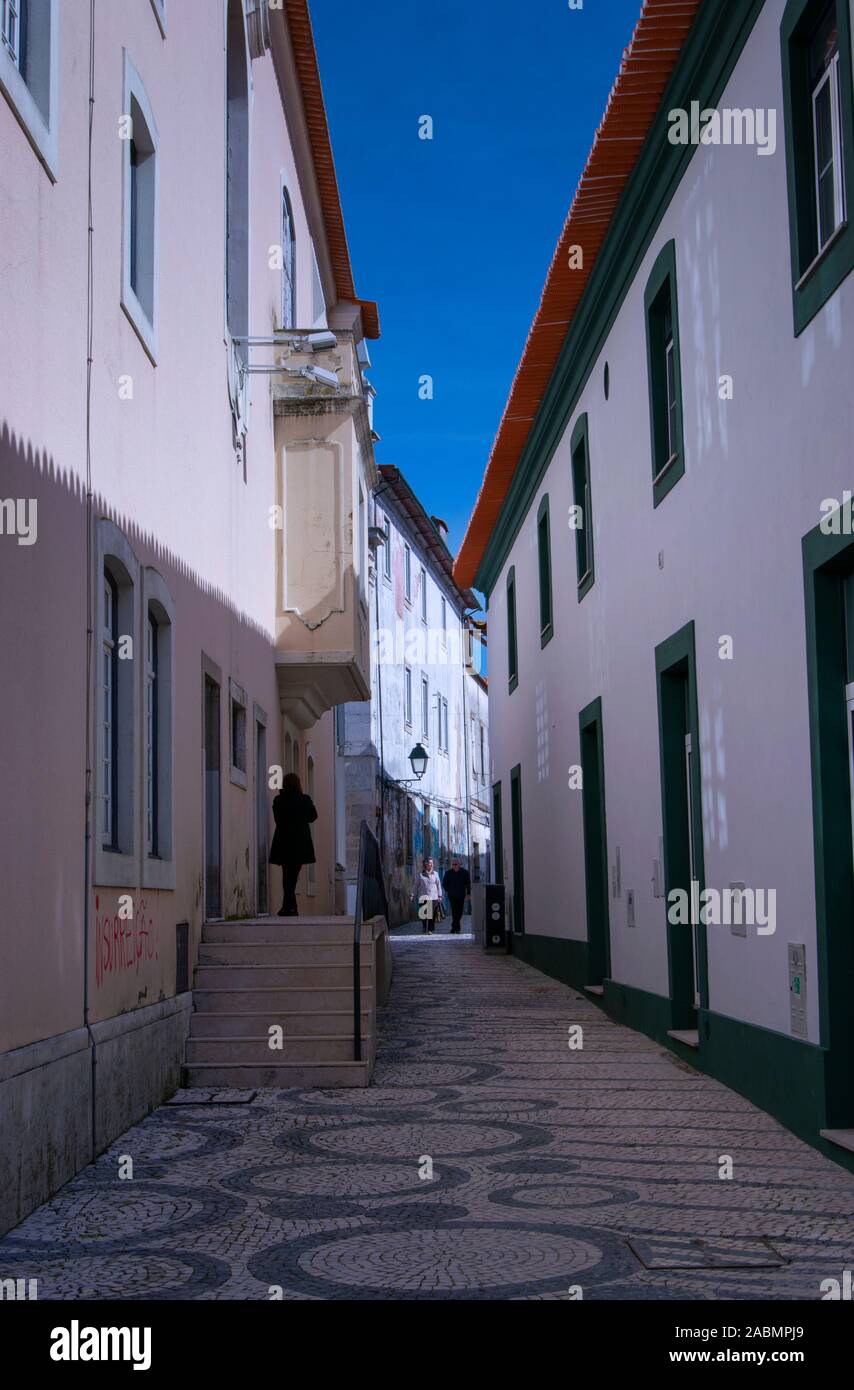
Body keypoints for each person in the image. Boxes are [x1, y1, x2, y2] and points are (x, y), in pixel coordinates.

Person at [269, 772, 318, 916]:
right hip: (300, 842)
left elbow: (277, 819)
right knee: (293, 875)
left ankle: (289, 907)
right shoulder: (305, 799)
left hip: (284, 842)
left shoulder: (278, 800)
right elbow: (313, 816)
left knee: (287, 875)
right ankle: (290, 907)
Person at [442, 857, 472, 934]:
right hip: (452, 896)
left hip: (461, 895)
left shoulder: (465, 872)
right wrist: (449, 890)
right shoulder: (448, 873)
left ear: (459, 864)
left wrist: (469, 894)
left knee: (460, 912)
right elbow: (444, 883)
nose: (454, 865)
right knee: (454, 911)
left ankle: (454, 925)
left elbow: (468, 884)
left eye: (456, 864)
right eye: (453, 864)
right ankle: (456, 928)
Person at [416, 856, 442, 934]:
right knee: (423, 914)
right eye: (429, 863)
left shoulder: (436, 874)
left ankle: (430, 929)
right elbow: (415, 885)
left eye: (431, 863)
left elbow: (438, 885)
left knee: (432, 915)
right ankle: (424, 927)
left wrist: (440, 895)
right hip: (423, 897)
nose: (430, 864)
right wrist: (412, 894)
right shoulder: (420, 875)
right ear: (425, 864)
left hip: (433, 897)